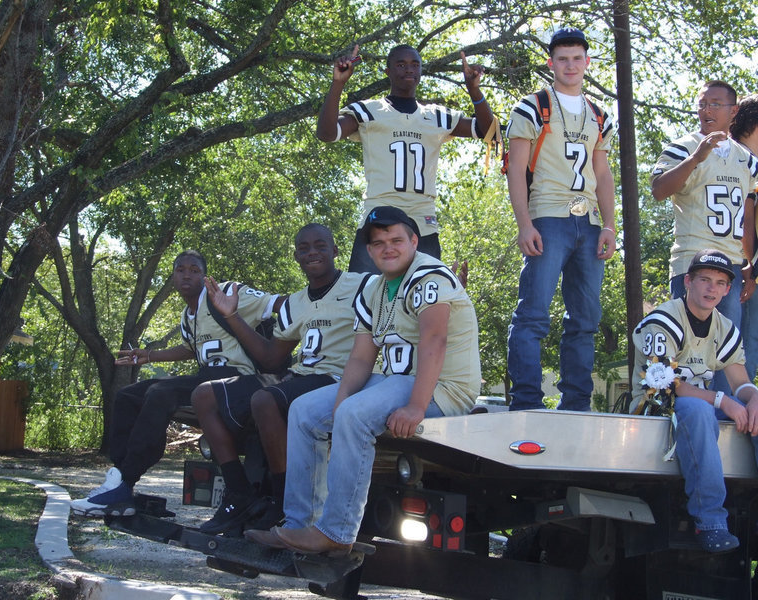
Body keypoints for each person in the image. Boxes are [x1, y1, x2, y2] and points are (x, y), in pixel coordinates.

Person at [245, 206, 481, 555]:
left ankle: (337, 534)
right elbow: (360, 357)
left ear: (414, 241)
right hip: (394, 379)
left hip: (441, 388)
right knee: (304, 410)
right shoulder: (374, 289)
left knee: (354, 415)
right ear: (369, 251)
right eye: (379, 242)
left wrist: (416, 407)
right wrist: (340, 401)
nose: (388, 248)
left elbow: (435, 341)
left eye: (397, 240)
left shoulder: (430, 274)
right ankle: (298, 525)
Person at [191, 224, 374, 534]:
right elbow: (271, 359)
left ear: (335, 251)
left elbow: (399, 302)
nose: (312, 252)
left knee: (265, 400)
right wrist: (233, 317)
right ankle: (239, 494)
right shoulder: (295, 303)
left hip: (337, 378)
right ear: (296, 256)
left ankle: (281, 500)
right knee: (203, 395)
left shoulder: (363, 285)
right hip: (300, 376)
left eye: (320, 245)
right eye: (304, 248)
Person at [70, 250, 281, 517]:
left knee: (161, 393)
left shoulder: (226, 293)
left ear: (204, 276)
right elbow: (190, 349)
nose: (187, 275)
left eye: (195, 270)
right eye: (181, 269)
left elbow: (277, 303)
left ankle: (125, 482)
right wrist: (148, 356)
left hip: (239, 377)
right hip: (208, 378)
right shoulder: (188, 316)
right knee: (127, 396)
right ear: (172, 276)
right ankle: (119, 479)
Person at [505, 27, 616, 411]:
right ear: (551, 63)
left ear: (587, 62)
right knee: (533, 314)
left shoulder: (599, 114)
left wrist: (609, 225)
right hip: (548, 219)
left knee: (585, 319)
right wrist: (524, 224)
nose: (571, 65)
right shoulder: (533, 106)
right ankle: (527, 403)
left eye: (577, 58)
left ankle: (576, 405)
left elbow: (603, 174)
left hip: (587, 226)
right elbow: (515, 169)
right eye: (563, 59)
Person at [316, 43, 495, 273]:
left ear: (421, 71)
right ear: (388, 71)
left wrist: (474, 90)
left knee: (421, 301)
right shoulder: (369, 111)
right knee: (366, 297)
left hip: (422, 222)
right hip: (379, 218)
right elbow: (327, 134)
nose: (409, 69)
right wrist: (338, 83)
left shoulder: (436, 116)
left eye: (415, 65)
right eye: (401, 64)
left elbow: (487, 131)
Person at [630, 249, 758, 553]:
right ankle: (710, 521)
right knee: (700, 408)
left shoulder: (725, 327)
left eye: (719, 283)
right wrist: (722, 401)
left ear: (728, 289)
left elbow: (741, 382)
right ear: (688, 281)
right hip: (657, 409)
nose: (711, 288)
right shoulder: (662, 320)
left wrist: (753, 399)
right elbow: (663, 385)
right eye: (704, 280)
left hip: (700, 408)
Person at [651, 80, 758, 393]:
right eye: (702, 104)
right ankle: (678, 408)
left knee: (730, 347)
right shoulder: (683, 146)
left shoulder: (747, 159)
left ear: (733, 111)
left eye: (716, 104)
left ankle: (729, 416)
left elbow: (747, 213)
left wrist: (748, 262)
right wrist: (695, 158)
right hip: (692, 261)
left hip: (731, 269)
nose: (707, 110)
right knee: (685, 343)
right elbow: (659, 190)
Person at [730, 96, 758, 380]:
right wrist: (749, 263)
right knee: (743, 343)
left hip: (746, 267)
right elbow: (745, 222)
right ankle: (739, 407)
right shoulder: (743, 159)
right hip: (742, 267)